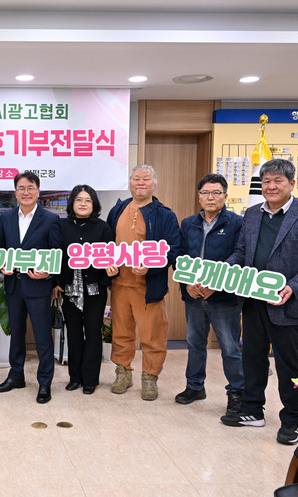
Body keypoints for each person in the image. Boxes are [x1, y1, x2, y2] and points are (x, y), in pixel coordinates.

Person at [221, 158, 298, 445]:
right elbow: (242, 253)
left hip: (286, 303)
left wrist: (293, 286)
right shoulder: (251, 214)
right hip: (252, 300)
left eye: (278, 181)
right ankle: (252, 410)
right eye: (266, 181)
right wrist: (222, 271)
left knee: (288, 364)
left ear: (291, 184)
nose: (271, 186)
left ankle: (292, 419)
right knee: (252, 358)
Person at [105, 164, 181, 401]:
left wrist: (151, 266)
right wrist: (108, 264)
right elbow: (107, 244)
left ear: (154, 184)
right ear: (129, 183)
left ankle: (150, 377)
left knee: (152, 335)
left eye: (146, 179)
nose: (140, 183)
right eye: (136, 178)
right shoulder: (117, 210)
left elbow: (174, 251)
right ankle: (123, 372)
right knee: (121, 333)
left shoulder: (165, 215)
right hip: (120, 285)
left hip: (148, 288)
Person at [175, 174, 244, 415]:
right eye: (205, 193)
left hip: (224, 296)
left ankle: (237, 393)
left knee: (230, 347)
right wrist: (186, 283)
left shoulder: (237, 223)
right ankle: (195, 386)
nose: (210, 197)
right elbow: (180, 255)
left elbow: (240, 255)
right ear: (199, 197)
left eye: (216, 193)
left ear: (225, 196)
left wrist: (217, 282)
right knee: (195, 343)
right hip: (194, 295)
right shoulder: (188, 223)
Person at [0, 170, 61, 404]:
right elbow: (0, 248)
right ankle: (16, 376)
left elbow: (57, 253)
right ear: (15, 192)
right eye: (21, 188)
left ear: (38, 191)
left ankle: (44, 382)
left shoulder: (50, 219)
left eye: (30, 188)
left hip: (39, 287)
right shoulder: (6, 218)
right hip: (14, 285)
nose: (26, 192)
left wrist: (49, 272)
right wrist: (3, 266)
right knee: (16, 335)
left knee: (43, 337)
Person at [52, 185, 116, 395]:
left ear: (94, 204)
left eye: (88, 200)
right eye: (79, 199)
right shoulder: (61, 226)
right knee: (73, 334)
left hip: (95, 290)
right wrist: (55, 283)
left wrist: (109, 276)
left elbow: (111, 258)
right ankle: (75, 377)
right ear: (71, 203)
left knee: (93, 333)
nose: (83, 204)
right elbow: (55, 256)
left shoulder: (103, 228)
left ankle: (90, 379)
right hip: (68, 289)